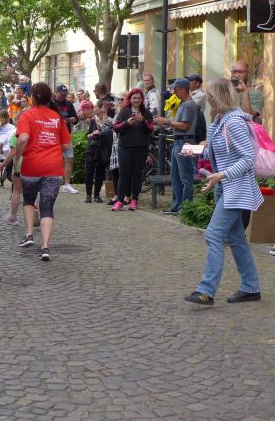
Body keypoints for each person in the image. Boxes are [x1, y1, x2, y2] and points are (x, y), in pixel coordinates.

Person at [182, 78, 263, 306]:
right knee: (236, 239)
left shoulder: (233, 121)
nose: (207, 97)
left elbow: (248, 158)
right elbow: (221, 153)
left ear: (217, 96)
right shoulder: (220, 119)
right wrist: (198, 152)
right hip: (226, 187)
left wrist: (222, 175)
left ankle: (206, 291)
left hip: (236, 189)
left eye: (209, 93)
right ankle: (251, 287)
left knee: (213, 235)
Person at [13, 83, 72, 261]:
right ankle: (45, 246)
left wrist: (17, 157)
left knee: (29, 200)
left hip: (32, 165)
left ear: (33, 98)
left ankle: (29, 234)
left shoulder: (27, 115)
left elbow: (23, 138)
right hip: (53, 167)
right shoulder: (56, 117)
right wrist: (52, 151)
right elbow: (66, 145)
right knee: (47, 207)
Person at [154, 78, 199, 216]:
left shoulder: (189, 104)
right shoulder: (183, 104)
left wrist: (167, 121)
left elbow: (185, 126)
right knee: (175, 177)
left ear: (182, 89)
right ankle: (176, 206)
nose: (173, 92)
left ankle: (185, 208)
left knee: (185, 178)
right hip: (178, 142)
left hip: (185, 143)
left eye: (175, 89)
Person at [111, 88, 154, 211]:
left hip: (141, 149)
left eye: (139, 98)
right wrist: (127, 123)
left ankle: (134, 200)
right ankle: (120, 201)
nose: (136, 100)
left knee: (137, 174)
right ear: (130, 99)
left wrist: (143, 121)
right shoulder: (124, 111)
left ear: (142, 100)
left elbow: (151, 129)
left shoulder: (146, 113)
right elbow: (116, 127)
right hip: (125, 147)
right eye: (134, 98)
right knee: (123, 174)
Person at [52, 85, 79, 194]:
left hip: (66, 134)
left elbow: (76, 118)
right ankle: (53, 182)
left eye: (65, 94)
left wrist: (73, 119)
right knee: (54, 159)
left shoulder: (68, 104)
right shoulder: (50, 103)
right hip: (53, 135)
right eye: (61, 94)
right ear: (56, 92)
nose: (63, 96)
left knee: (69, 158)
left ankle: (67, 184)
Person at [82, 101, 106, 203]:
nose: (93, 109)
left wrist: (100, 133)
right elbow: (87, 134)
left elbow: (109, 133)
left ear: (101, 109)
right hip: (92, 149)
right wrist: (90, 135)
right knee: (89, 172)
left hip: (102, 149)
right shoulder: (93, 120)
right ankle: (88, 195)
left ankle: (96, 195)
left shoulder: (108, 120)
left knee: (100, 172)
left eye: (95, 107)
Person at [0, 109, 16, 188]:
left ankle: (17, 185)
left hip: (8, 152)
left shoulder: (12, 127)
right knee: (3, 169)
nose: (2, 119)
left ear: (7, 118)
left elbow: (11, 139)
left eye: (3, 118)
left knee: (8, 172)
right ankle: (2, 181)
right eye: (1, 117)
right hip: (0, 152)